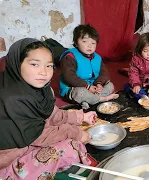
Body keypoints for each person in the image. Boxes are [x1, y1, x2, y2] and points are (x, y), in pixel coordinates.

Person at [0, 38, 97, 179]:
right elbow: (38, 135)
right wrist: (75, 132)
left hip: (27, 142)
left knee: (69, 140)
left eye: (49, 66)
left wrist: (80, 117)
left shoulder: (41, 89)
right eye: (34, 64)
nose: (43, 72)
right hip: (8, 158)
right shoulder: (12, 98)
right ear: (17, 63)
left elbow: (53, 114)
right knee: (71, 147)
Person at [59, 24, 119, 109]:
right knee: (80, 93)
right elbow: (69, 77)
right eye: (84, 41)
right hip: (75, 87)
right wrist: (87, 87)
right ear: (76, 42)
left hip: (93, 87)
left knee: (110, 85)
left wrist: (99, 84)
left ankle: (88, 101)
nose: (89, 45)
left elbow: (103, 73)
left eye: (93, 43)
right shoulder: (70, 57)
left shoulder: (97, 58)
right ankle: (102, 99)